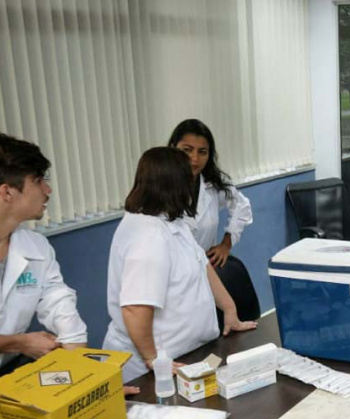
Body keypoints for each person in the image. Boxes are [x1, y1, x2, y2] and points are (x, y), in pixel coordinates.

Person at [103, 147, 256, 383]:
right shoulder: (148, 237)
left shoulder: (170, 220)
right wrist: (153, 359)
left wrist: (229, 310)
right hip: (152, 369)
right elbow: (135, 308)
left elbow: (200, 263)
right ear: (174, 185)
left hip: (187, 355)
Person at [0, 132, 88, 379]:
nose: (48, 189)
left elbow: (59, 305)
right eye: (37, 181)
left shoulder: (36, 246)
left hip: (6, 373)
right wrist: (19, 343)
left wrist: (89, 379)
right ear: (7, 192)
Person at [168, 119, 252, 268]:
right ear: (173, 148)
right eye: (187, 150)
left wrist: (226, 244)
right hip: (173, 273)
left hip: (207, 270)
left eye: (202, 152)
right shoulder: (159, 186)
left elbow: (242, 207)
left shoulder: (214, 183)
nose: (195, 158)